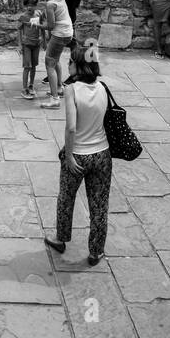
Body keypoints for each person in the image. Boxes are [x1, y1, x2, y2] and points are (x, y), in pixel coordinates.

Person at [43, 41, 112, 266]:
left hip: (79, 153)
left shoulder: (72, 90)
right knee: (99, 204)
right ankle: (96, 251)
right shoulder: (103, 88)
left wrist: (69, 155)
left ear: (79, 66)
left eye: (71, 61)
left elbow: (71, 127)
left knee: (66, 198)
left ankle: (61, 239)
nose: (68, 64)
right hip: (102, 153)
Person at [37, 0, 75, 108]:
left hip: (60, 34)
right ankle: (59, 88)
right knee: (56, 59)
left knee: (49, 64)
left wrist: (38, 24)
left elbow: (51, 26)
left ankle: (55, 99)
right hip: (68, 31)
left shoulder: (49, 5)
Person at [18, 0, 43, 100]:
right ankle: (24, 88)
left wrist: (44, 40)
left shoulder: (39, 15)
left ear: (36, 5)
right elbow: (19, 30)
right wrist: (19, 45)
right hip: (26, 44)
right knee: (27, 66)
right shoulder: (23, 17)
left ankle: (31, 84)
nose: (30, 7)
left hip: (36, 44)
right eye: (28, 5)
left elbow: (42, 28)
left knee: (33, 66)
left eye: (32, 5)